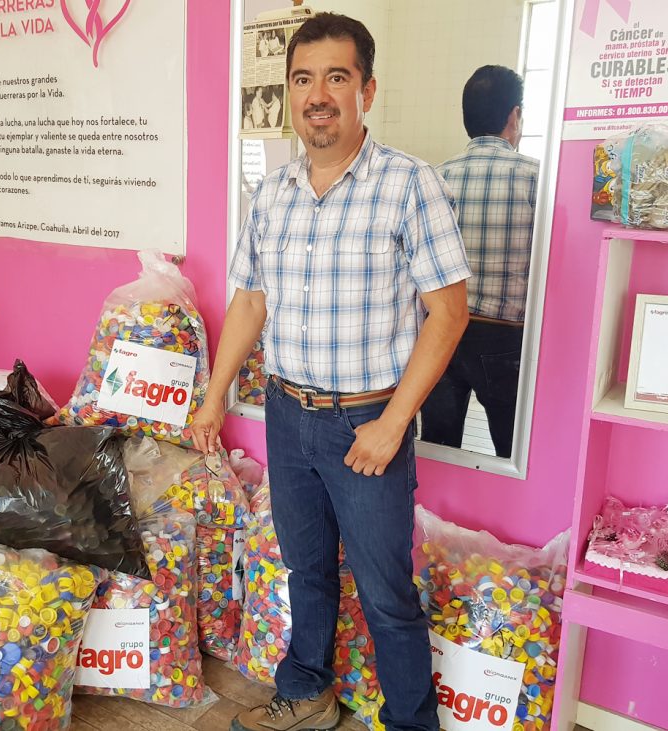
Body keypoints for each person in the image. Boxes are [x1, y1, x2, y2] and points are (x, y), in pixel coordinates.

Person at [191, 13, 471, 731]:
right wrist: (214, 397)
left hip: (367, 422)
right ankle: (308, 692)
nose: (318, 95)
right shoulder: (273, 193)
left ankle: (412, 722)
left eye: (336, 78)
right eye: (303, 79)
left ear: (366, 91)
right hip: (288, 414)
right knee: (305, 568)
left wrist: (393, 424)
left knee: (385, 592)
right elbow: (250, 301)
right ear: (289, 92)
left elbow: (448, 313)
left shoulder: (409, 185)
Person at [419, 65, 539, 459]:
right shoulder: (535, 178)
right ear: (514, 116)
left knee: (438, 446)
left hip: (439, 332)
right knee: (511, 450)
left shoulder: (436, 178)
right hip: (505, 340)